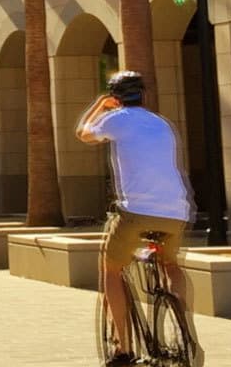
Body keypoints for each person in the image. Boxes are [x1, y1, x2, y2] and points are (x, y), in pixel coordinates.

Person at [76, 70, 193, 367]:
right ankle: (182, 323)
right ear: (144, 95)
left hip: (136, 212)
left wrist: (100, 105)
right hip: (176, 212)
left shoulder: (116, 119)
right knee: (170, 264)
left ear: (116, 97)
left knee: (111, 270)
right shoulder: (161, 123)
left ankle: (124, 349)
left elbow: (83, 134)